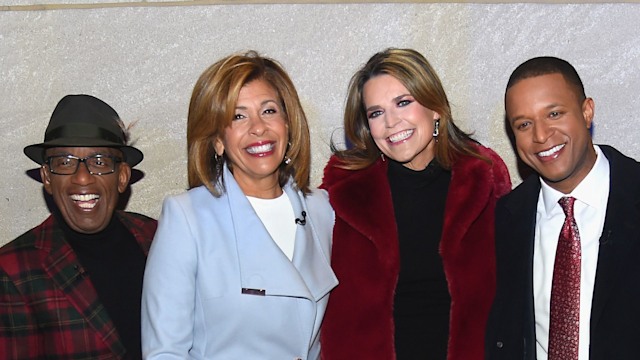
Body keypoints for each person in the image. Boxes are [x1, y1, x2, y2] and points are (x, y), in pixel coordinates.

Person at [141, 51, 338, 359]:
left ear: (288, 124)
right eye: (238, 116)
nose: (258, 127)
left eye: (269, 110)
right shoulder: (187, 218)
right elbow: (164, 352)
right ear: (218, 140)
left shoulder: (322, 210)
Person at [320, 48, 511, 360]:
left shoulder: (484, 178)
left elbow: (514, 289)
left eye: (403, 103)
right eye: (376, 113)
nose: (392, 122)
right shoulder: (345, 192)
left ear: (434, 107)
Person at [485, 56, 640, 360]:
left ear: (586, 111)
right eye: (524, 124)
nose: (541, 136)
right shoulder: (502, 221)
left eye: (554, 113)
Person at [0, 94, 157, 359]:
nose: (82, 177)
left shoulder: (156, 236)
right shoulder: (13, 271)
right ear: (47, 177)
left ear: (122, 177)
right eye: (64, 162)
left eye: (99, 161)